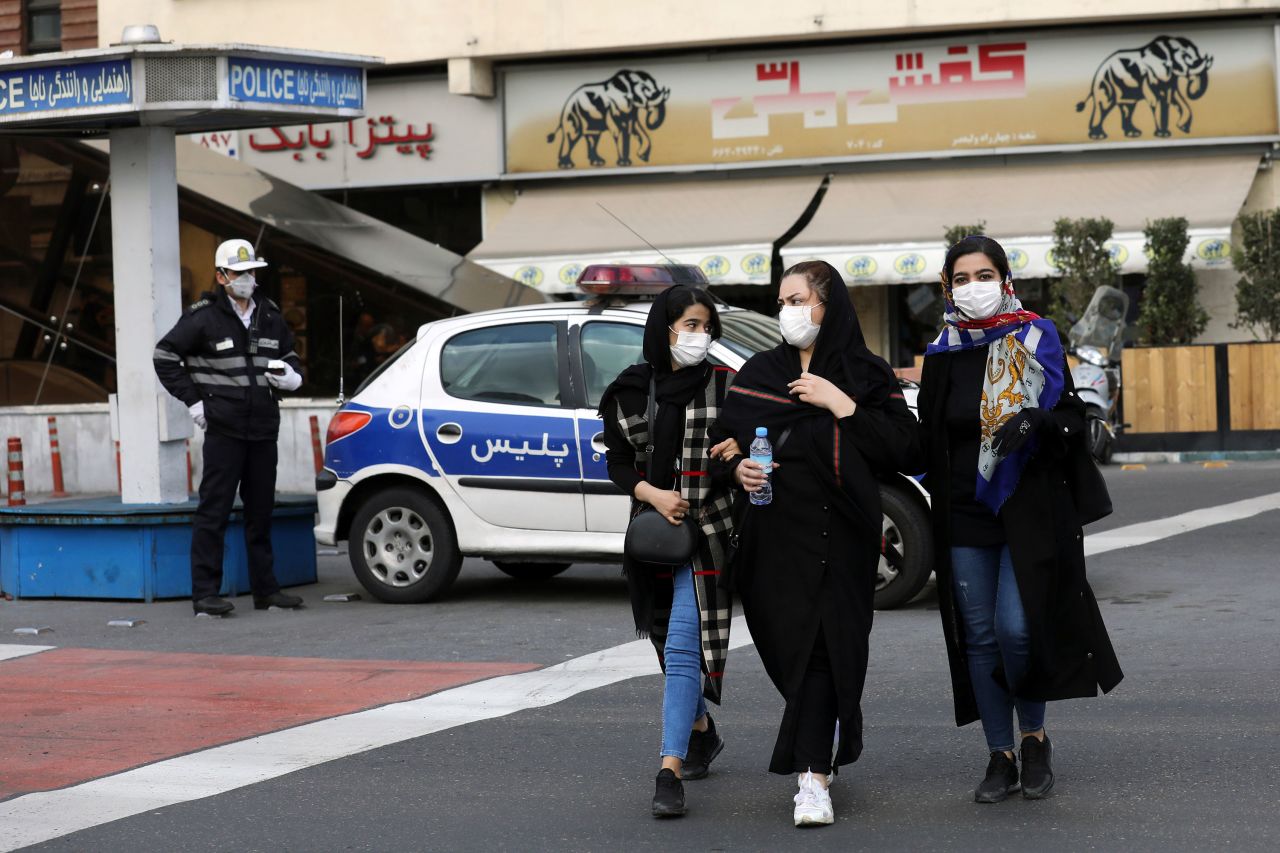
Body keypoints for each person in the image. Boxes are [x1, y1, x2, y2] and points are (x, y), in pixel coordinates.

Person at [711, 260, 920, 827]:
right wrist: (738, 473)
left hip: (843, 540)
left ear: (828, 305)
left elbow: (903, 449)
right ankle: (816, 754)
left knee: (827, 652)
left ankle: (813, 778)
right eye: (781, 302)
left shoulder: (865, 373)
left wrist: (839, 402)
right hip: (773, 541)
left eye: (798, 299)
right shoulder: (759, 372)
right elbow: (724, 440)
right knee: (789, 653)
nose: (788, 312)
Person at [915, 235, 1123, 804]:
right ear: (947, 287)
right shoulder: (942, 351)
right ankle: (1000, 754)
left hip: (1027, 511)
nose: (972, 287)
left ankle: (1035, 738)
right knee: (980, 637)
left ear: (1004, 279)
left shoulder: (1036, 336)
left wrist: (1036, 420)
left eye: (984, 275)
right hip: (962, 513)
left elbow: (1071, 419)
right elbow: (925, 437)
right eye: (961, 278)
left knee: (1016, 627)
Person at [599, 284, 740, 818]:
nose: (699, 336)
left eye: (706, 326)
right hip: (652, 537)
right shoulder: (632, 391)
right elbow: (617, 462)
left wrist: (737, 452)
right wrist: (653, 494)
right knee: (663, 642)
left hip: (709, 536)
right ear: (664, 330)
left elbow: (745, 450)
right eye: (689, 325)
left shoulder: (728, 386)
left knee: (683, 647)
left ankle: (669, 770)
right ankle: (701, 728)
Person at [153, 239, 306, 617]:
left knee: (261, 513)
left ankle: (266, 592)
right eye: (238, 273)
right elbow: (164, 356)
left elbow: (290, 356)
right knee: (214, 511)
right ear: (221, 276)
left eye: (251, 272)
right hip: (224, 428)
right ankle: (205, 594)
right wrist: (193, 400)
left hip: (263, 428)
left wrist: (293, 377)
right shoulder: (202, 317)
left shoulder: (269, 314)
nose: (246, 279)